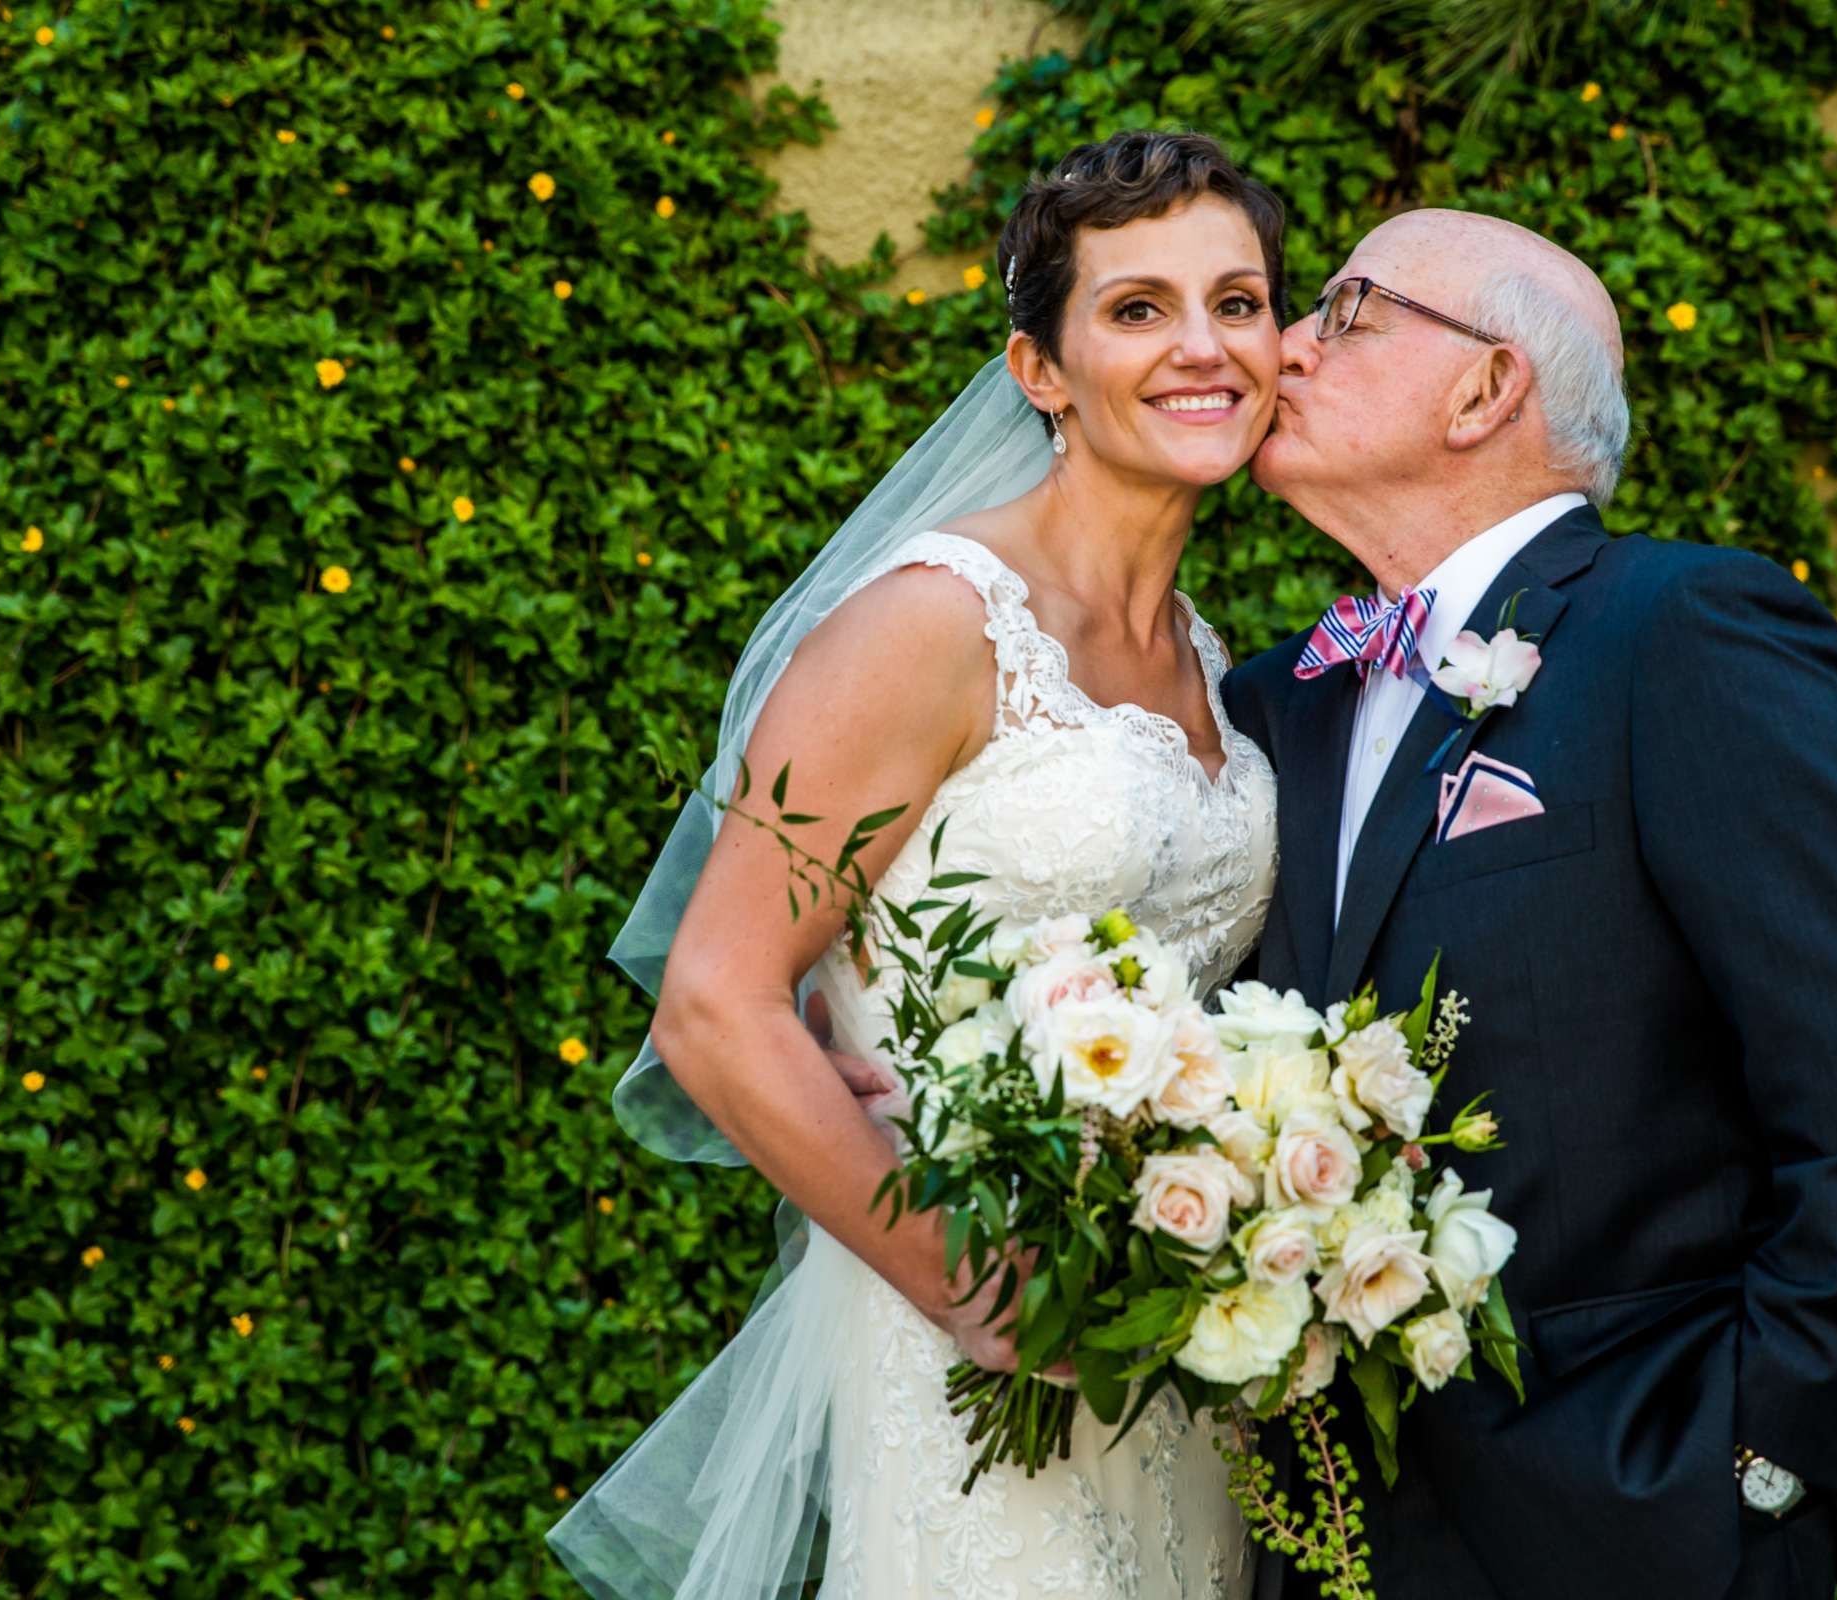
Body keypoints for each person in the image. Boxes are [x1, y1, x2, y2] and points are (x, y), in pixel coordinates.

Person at [1219, 208, 1837, 1600]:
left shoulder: (1685, 631)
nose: (1281, 347)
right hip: (1330, 1539)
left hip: (1648, 1526)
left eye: (1344, 310)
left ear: (1487, 386)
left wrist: (1762, 1461)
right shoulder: (1275, 706)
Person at [548, 129, 1285, 1600]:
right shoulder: (933, 624)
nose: (1204, 347)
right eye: (1138, 309)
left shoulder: (1204, 656)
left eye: (1241, 301)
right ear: (1039, 372)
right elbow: (714, 1002)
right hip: (964, 1347)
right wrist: (973, 1287)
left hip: (1175, 1364)